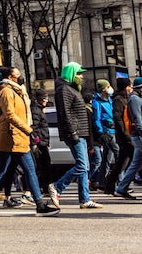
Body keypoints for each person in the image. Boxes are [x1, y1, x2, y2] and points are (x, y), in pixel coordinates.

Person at [0, 65, 61, 218]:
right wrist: (29, 130)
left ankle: (39, 205)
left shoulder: (17, 90)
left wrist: (27, 130)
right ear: (10, 77)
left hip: (18, 137)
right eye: (17, 74)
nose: (20, 76)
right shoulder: (6, 91)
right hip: (8, 136)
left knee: (29, 170)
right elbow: (9, 115)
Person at [49, 62, 102, 209]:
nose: (81, 76)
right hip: (75, 133)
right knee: (82, 165)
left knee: (84, 168)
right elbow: (65, 113)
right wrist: (72, 132)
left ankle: (84, 199)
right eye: (78, 73)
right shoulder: (64, 89)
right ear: (71, 73)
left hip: (81, 132)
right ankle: (57, 187)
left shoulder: (72, 88)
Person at [115, 76, 142, 199]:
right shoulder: (134, 99)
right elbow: (137, 120)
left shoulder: (140, 98)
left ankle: (121, 188)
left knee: (135, 165)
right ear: (141, 87)